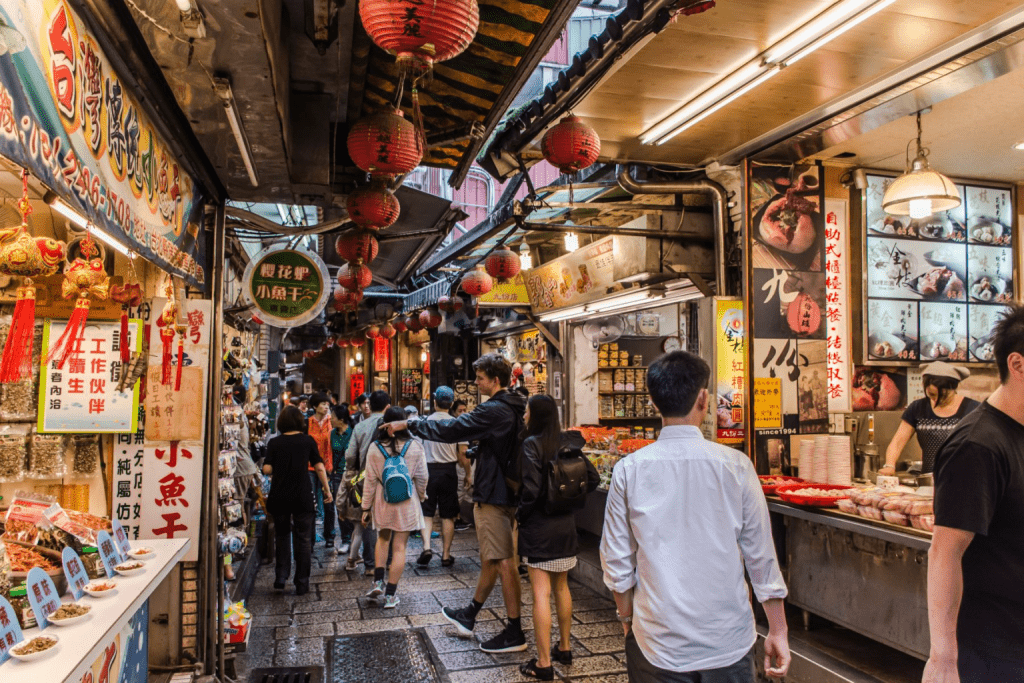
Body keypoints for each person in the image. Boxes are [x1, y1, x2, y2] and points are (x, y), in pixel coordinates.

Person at [601, 351, 790, 682]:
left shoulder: (628, 470)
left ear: (654, 402)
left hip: (656, 642)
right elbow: (761, 557)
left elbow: (616, 563)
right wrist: (778, 629)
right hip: (728, 641)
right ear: (704, 399)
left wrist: (626, 616)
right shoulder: (736, 466)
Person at [384, 353, 528, 653]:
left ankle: (514, 631)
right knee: (493, 557)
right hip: (508, 489)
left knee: (504, 562)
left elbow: (452, 429)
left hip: (494, 493)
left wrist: (409, 424)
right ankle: (470, 614)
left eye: (480, 378)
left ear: (495, 380)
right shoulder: (516, 405)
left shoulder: (494, 409)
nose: (476, 383)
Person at [924, 306, 1024, 683]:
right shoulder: (977, 446)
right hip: (994, 654)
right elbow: (945, 551)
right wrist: (944, 658)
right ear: (1017, 364)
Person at [517, 395, 599, 680]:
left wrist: (521, 516)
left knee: (540, 593)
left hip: (539, 526)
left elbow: (530, 490)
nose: (524, 416)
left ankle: (542, 664)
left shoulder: (531, 444)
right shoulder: (569, 442)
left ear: (536, 415)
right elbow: (594, 478)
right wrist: (568, 500)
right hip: (565, 526)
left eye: (526, 412)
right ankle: (564, 649)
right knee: (562, 588)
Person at [262, 405, 333, 595]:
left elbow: (267, 469)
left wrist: (277, 465)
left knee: (282, 536)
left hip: (280, 495)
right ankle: (302, 583)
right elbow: (319, 467)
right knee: (303, 540)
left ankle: (281, 576)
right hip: (302, 495)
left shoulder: (274, 443)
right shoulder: (307, 441)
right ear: (300, 422)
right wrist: (327, 490)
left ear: (281, 422)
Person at [362, 406, 429, 608]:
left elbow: (370, 481)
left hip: (383, 500)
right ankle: (390, 595)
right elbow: (423, 477)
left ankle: (377, 582)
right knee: (399, 547)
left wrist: (366, 507)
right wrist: (422, 495)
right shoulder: (415, 446)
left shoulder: (374, 447)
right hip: (407, 502)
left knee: (382, 540)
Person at [880, 361, 980, 476]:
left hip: (962, 477)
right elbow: (898, 442)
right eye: (932, 394)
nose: (936, 400)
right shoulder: (918, 408)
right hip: (928, 477)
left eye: (943, 395)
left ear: (954, 387)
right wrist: (889, 465)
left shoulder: (973, 409)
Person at [415, 386, 473, 568]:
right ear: (450, 404)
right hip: (449, 471)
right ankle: (446, 555)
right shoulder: (457, 424)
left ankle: (426, 547)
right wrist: (468, 474)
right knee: (448, 515)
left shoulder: (425, 422)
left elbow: (417, 450)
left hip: (428, 470)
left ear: (435, 402)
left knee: (427, 511)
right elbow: (463, 453)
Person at [339, 390, 390, 573]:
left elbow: (350, 455)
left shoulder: (360, 427)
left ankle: (370, 564)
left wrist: (353, 473)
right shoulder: (391, 424)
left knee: (367, 517)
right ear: (388, 407)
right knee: (387, 518)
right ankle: (388, 560)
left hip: (365, 478)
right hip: (389, 478)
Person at [307, 392, 333, 545]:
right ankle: (311, 535)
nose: (326, 406)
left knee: (328, 502)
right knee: (311, 502)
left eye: (327, 404)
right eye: (322, 404)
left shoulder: (332, 421)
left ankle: (329, 535)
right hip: (310, 467)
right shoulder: (307, 423)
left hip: (327, 467)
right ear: (315, 406)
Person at [330, 404, 355, 553]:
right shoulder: (332, 434)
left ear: (341, 419)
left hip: (352, 475)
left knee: (353, 505)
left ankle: (354, 537)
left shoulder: (353, 433)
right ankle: (346, 539)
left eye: (332, 417)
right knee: (340, 507)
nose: (330, 420)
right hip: (337, 475)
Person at [450, 400, 473, 531]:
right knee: (459, 493)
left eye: (465, 410)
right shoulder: (459, 427)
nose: (463, 413)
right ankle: (456, 519)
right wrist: (468, 473)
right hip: (459, 466)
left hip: (455, 465)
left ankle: (457, 518)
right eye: (460, 411)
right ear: (454, 412)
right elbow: (463, 453)